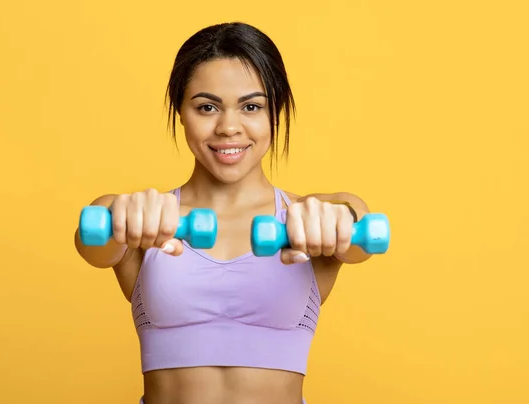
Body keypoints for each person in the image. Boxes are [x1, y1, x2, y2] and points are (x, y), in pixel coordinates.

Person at [75, 21, 375, 404]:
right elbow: (91, 241)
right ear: (180, 112)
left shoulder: (308, 218)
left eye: (251, 106)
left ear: (275, 112)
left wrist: (338, 220)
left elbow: (355, 226)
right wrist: (120, 214)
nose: (229, 127)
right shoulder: (140, 221)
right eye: (207, 107)